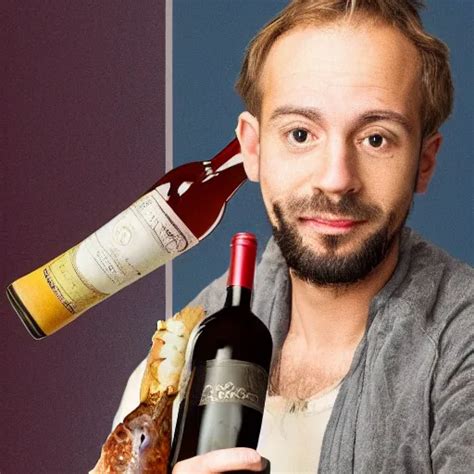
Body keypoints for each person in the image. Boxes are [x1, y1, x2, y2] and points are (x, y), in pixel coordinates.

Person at [114, 0, 473, 472]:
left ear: (424, 161)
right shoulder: (193, 337)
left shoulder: (461, 345)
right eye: (301, 134)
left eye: (376, 138)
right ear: (253, 149)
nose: (336, 179)